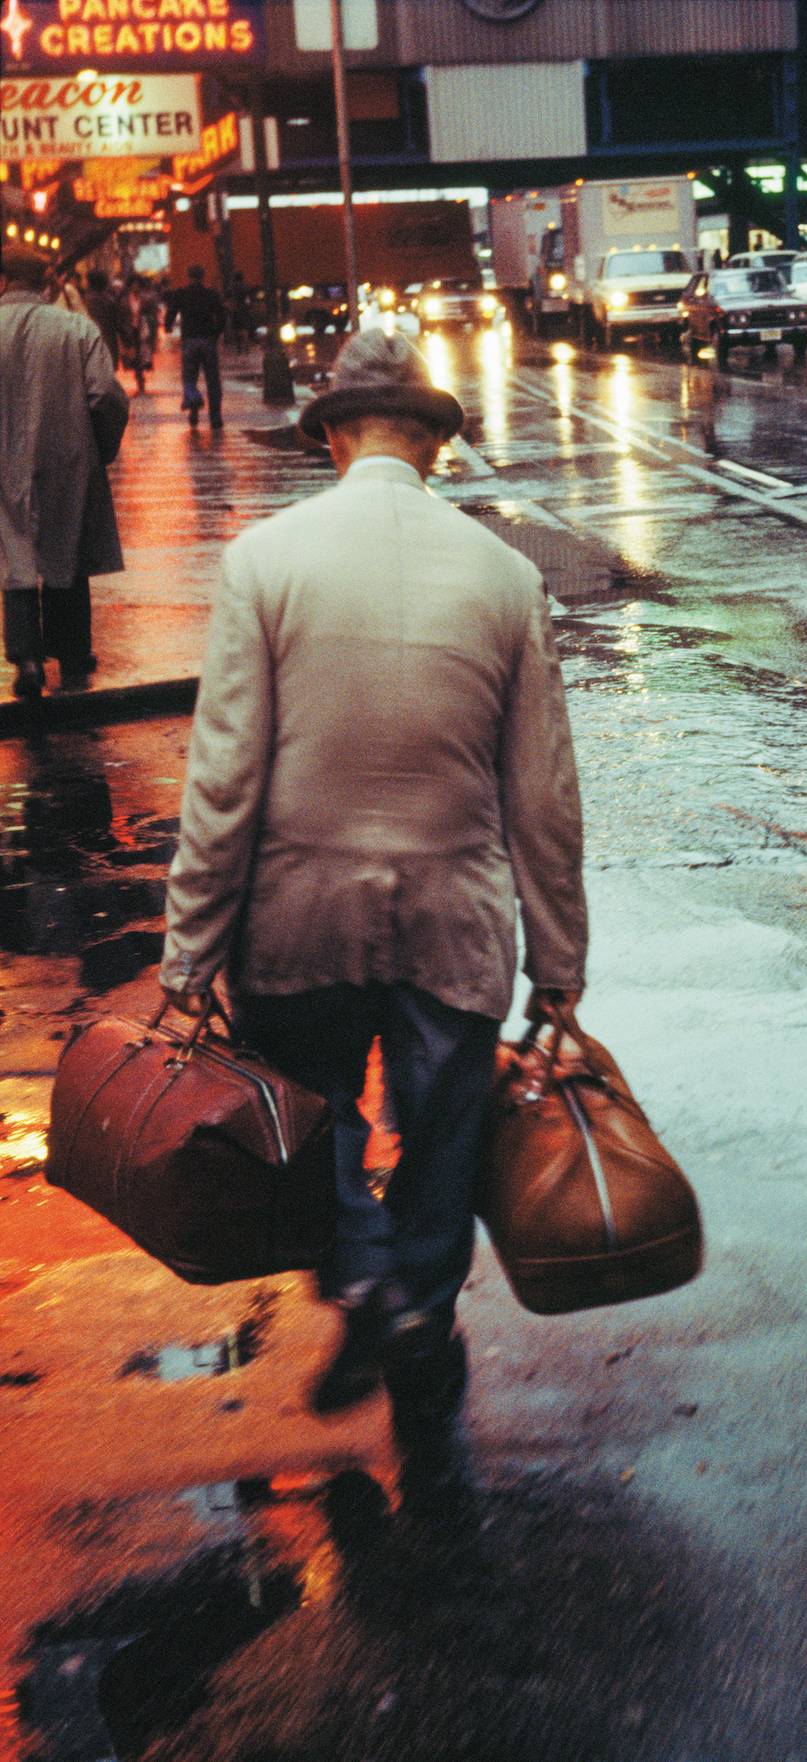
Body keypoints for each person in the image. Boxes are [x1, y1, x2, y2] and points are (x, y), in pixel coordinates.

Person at [159, 330, 588, 1467]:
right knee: (444, 1130)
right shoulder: (506, 575)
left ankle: (357, 1269)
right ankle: (421, 1314)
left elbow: (225, 772)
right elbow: (542, 788)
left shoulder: (266, 560)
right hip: (456, 914)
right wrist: (560, 956)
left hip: (298, 915)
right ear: (437, 447)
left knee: (316, 1118)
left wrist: (190, 944)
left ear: (335, 438)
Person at [0, 251, 128, 699]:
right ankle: (71, 651)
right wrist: (97, 449)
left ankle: (27, 660)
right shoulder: (75, 330)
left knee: (14, 558)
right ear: (48, 285)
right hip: (66, 456)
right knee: (66, 549)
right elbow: (105, 397)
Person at [164, 264, 227, 429]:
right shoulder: (211, 294)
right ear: (203, 276)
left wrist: (168, 326)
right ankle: (215, 417)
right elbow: (222, 316)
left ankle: (193, 408)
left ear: (188, 276)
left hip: (189, 341)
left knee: (189, 378)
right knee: (213, 380)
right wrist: (215, 333)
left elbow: (171, 313)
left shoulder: (181, 294)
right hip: (207, 340)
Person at [83, 268, 128, 368]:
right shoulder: (108, 300)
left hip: (90, 340)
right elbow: (118, 322)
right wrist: (127, 341)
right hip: (108, 340)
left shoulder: (86, 299)